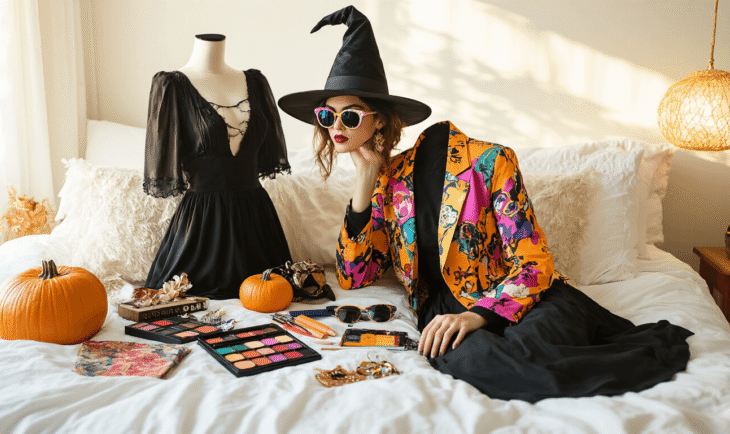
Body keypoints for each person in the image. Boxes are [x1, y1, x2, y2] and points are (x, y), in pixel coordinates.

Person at [279, 6, 693, 402]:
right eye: (326, 116)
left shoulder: (491, 161)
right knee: (484, 364)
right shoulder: (388, 181)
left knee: (535, 356)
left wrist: (477, 315)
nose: (335, 127)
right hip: (441, 309)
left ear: (381, 119)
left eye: (349, 116)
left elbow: (535, 263)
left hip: (522, 298)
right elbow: (354, 276)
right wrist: (365, 181)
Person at [143, 34, 292, 299]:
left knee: (272, 292)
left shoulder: (255, 82)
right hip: (203, 224)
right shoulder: (172, 86)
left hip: (256, 221)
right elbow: (164, 164)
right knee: (177, 296)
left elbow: (267, 152)